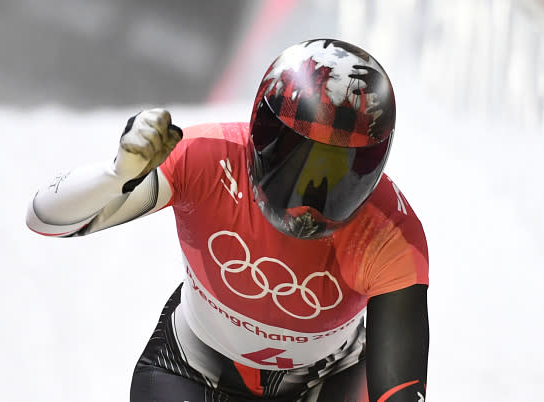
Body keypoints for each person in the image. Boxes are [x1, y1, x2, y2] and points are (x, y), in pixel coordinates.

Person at [26, 39, 429, 402]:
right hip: (192, 371)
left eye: (340, 175)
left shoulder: (391, 235)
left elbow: (399, 392)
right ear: (260, 139)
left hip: (328, 382)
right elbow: (44, 217)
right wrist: (116, 176)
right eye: (296, 165)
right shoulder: (204, 158)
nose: (310, 201)